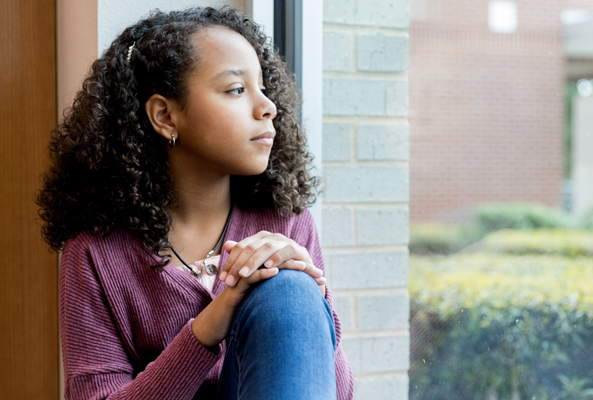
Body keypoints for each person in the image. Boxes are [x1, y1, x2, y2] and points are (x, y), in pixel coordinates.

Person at [35, 6, 354, 400]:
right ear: (165, 116)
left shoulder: (283, 220)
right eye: (237, 90)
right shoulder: (95, 252)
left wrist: (313, 297)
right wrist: (209, 326)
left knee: (289, 288)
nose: (267, 107)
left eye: (263, 88)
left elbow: (336, 392)